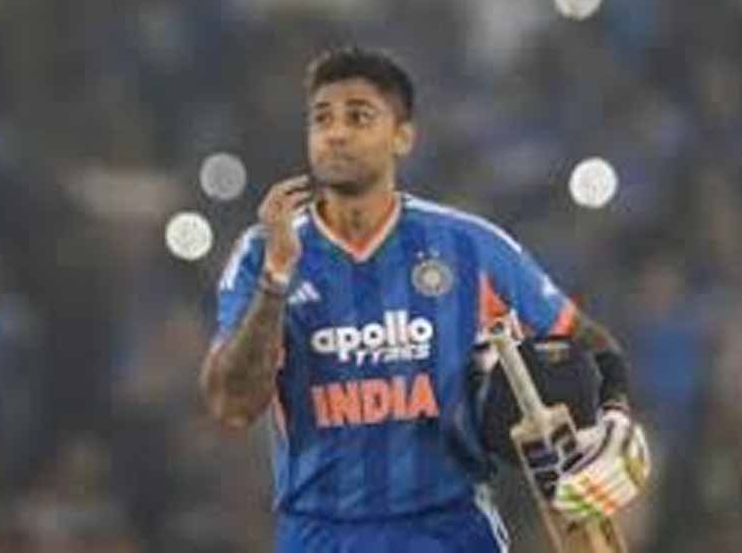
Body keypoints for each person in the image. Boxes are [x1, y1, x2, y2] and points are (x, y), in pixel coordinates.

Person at [199, 45, 649, 552]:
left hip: (452, 531)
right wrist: (275, 279)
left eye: (358, 116)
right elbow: (231, 405)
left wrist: (614, 416)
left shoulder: (469, 246)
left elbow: (590, 343)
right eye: (321, 118)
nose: (336, 133)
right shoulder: (264, 251)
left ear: (402, 136)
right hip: (322, 535)